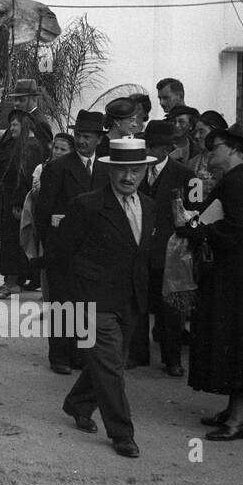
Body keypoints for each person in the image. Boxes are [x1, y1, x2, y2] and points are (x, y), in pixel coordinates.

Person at [49, 137, 155, 459]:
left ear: (145, 171)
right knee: (111, 367)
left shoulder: (149, 206)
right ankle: (122, 434)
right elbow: (61, 252)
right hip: (93, 301)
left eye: (135, 170)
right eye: (122, 170)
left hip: (131, 299)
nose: (128, 177)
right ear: (109, 171)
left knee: (111, 362)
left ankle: (78, 403)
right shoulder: (87, 205)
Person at [179, 124, 243, 440]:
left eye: (216, 148)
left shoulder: (237, 183)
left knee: (239, 339)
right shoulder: (237, 180)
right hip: (237, 269)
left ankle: (240, 419)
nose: (211, 153)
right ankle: (234, 410)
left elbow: (236, 228)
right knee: (233, 337)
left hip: (240, 272)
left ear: (236, 150)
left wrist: (197, 232)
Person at [34, 110, 108, 374]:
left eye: (87, 137)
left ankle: (81, 355)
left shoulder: (106, 168)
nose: (81, 141)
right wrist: (51, 245)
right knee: (62, 302)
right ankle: (60, 356)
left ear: (99, 139)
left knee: (86, 303)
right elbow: (43, 212)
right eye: (78, 135)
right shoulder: (58, 168)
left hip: (93, 250)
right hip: (62, 248)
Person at [130, 120, 195, 376]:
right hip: (139, 250)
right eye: (147, 144)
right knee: (138, 304)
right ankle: (137, 354)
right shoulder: (134, 171)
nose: (148, 150)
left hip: (171, 253)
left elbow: (196, 213)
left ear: (167, 148)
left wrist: (184, 238)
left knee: (171, 310)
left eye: (154, 146)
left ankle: (173, 359)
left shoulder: (186, 175)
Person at [0, 108, 46, 297]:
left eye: (14, 124)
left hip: (18, 203)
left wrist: (19, 204)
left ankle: (12, 283)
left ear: (24, 125)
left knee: (12, 242)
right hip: (10, 200)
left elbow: (25, 177)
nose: (10, 128)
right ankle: (14, 281)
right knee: (10, 241)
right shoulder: (19, 145)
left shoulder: (31, 147)